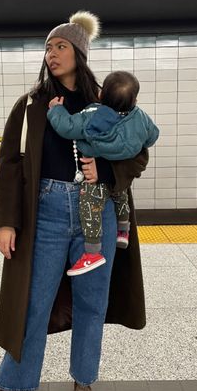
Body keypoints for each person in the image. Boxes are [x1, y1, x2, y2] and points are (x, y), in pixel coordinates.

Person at [0, 11, 149, 391]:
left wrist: (109, 173)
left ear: (79, 53)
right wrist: (6, 221)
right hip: (44, 211)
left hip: (95, 211)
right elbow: (10, 164)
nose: (51, 53)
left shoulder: (110, 100)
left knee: (91, 302)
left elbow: (139, 152)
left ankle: (83, 385)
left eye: (60, 46)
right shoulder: (31, 105)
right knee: (32, 302)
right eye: (47, 47)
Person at [47, 70, 159, 276]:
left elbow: (67, 127)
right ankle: (123, 230)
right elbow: (153, 136)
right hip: (117, 177)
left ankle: (92, 252)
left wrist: (56, 109)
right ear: (135, 99)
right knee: (121, 192)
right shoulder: (141, 117)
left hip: (95, 179)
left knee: (89, 205)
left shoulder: (94, 115)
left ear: (100, 96)